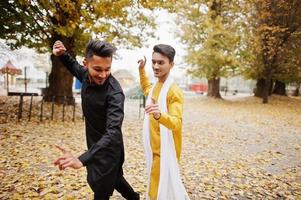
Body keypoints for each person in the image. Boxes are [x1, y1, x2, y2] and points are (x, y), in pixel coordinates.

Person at [52, 40, 139, 200]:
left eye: (107, 69)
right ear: (86, 64)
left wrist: (81, 159)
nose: (103, 75)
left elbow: (113, 133)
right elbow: (73, 66)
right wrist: (62, 54)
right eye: (97, 69)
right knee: (116, 180)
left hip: (109, 150)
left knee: (101, 188)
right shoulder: (85, 75)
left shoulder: (115, 94)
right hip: (93, 143)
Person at [138, 44, 189, 200]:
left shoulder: (174, 92)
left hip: (165, 150)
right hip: (154, 148)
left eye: (161, 62)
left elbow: (176, 123)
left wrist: (160, 115)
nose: (155, 66)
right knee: (163, 188)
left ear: (171, 65)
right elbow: (147, 88)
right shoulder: (156, 86)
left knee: (157, 189)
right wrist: (141, 70)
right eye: (153, 62)